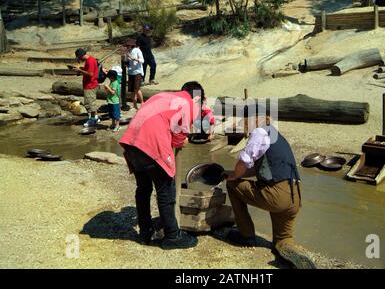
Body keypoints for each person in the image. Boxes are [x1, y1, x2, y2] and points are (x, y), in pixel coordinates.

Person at [119, 81, 205, 250]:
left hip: (131, 143)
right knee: (166, 191)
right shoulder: (190, 103)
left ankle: (145, 232)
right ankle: (173, 236)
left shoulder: (164, 96)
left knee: (143, 189)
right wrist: (182, 141)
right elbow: (179, 134)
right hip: (150, 144)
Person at [225, 115, 316, 269]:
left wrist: (233, 176)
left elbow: (244, 161)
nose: (244, 125)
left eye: (246, 120)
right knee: (282, 239)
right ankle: (288, 251)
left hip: (277, 194)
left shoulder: (260, 132)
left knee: (232, 185)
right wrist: (233, 172)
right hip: (294, 196)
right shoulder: (276, 136)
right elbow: (260, 168)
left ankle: (246, 235)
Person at [73, 48, 100, 127]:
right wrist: (80, 71)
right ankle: (95, 117)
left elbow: (90, 74)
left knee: (89, 103)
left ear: (81, 56)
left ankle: (92, 119)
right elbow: (88, 72)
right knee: (91, 102)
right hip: (89, 84)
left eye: (78, 57)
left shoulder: (90, 61)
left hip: (90, 85)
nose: (79, 59)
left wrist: (80, 70)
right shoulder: (90, 60)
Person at [123, 39, 144, 110]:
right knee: (131, 90)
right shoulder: (127, 52)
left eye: (128, 45)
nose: (127, 47)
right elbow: (126, 62)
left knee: (137, 89)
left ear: (131, 45)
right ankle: (134, 104)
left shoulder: (137, 50)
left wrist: (134, 59)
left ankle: (142, 103)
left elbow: (142, 60)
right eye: (126, 45)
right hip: (130, 72)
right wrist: (126, 59)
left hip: (137, 72)